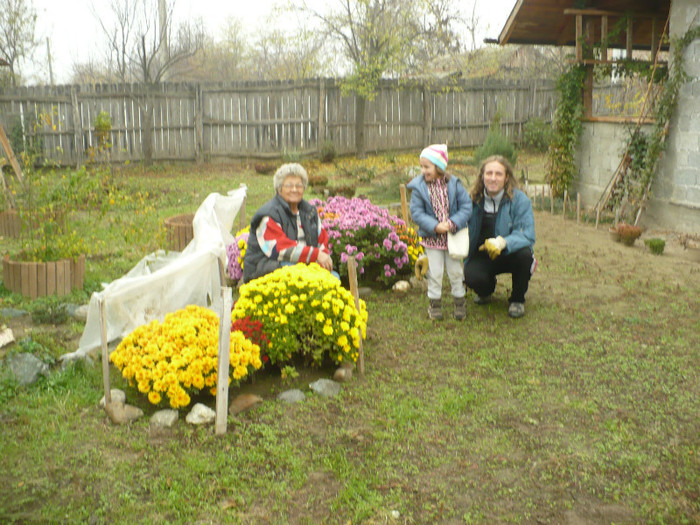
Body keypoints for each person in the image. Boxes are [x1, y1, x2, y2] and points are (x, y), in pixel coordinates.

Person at [463, 155, 536, 318]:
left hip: (509, 253)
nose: (493, 178)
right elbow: (456, 225)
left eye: (498, 174)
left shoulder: (520, 201)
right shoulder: (472, 201)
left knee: (525, 256)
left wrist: (503, 242)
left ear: (507, 177)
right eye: (489, 173)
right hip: (482, 255)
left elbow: (527, 234)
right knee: (471, 276)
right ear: (482, 176)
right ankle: (486, 290)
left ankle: (517, 299)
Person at [408, 144, 472, 320]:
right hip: (432, 240)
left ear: (439, 167)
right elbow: (417, 213)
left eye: (427, 166)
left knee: (456, 272)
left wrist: (452, 223)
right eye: (421, 166)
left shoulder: (454, 185)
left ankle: (459, 302)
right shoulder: (419, 188)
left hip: (453, 238)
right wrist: (435, 226)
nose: (423, 170)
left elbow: (466, 206)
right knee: (435, 273)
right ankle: (434, 304)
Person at [242, 163, 335, 283]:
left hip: (299, 267)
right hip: (267, 270)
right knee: (305, 280)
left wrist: (323, 259)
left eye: (299, 185)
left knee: (333, 278)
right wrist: (316, 255)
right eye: (289, 185)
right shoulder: (269, 214)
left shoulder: (310, 212)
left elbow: (321, 240)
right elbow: (280, 250)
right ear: (279, 189)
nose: (294, 189)